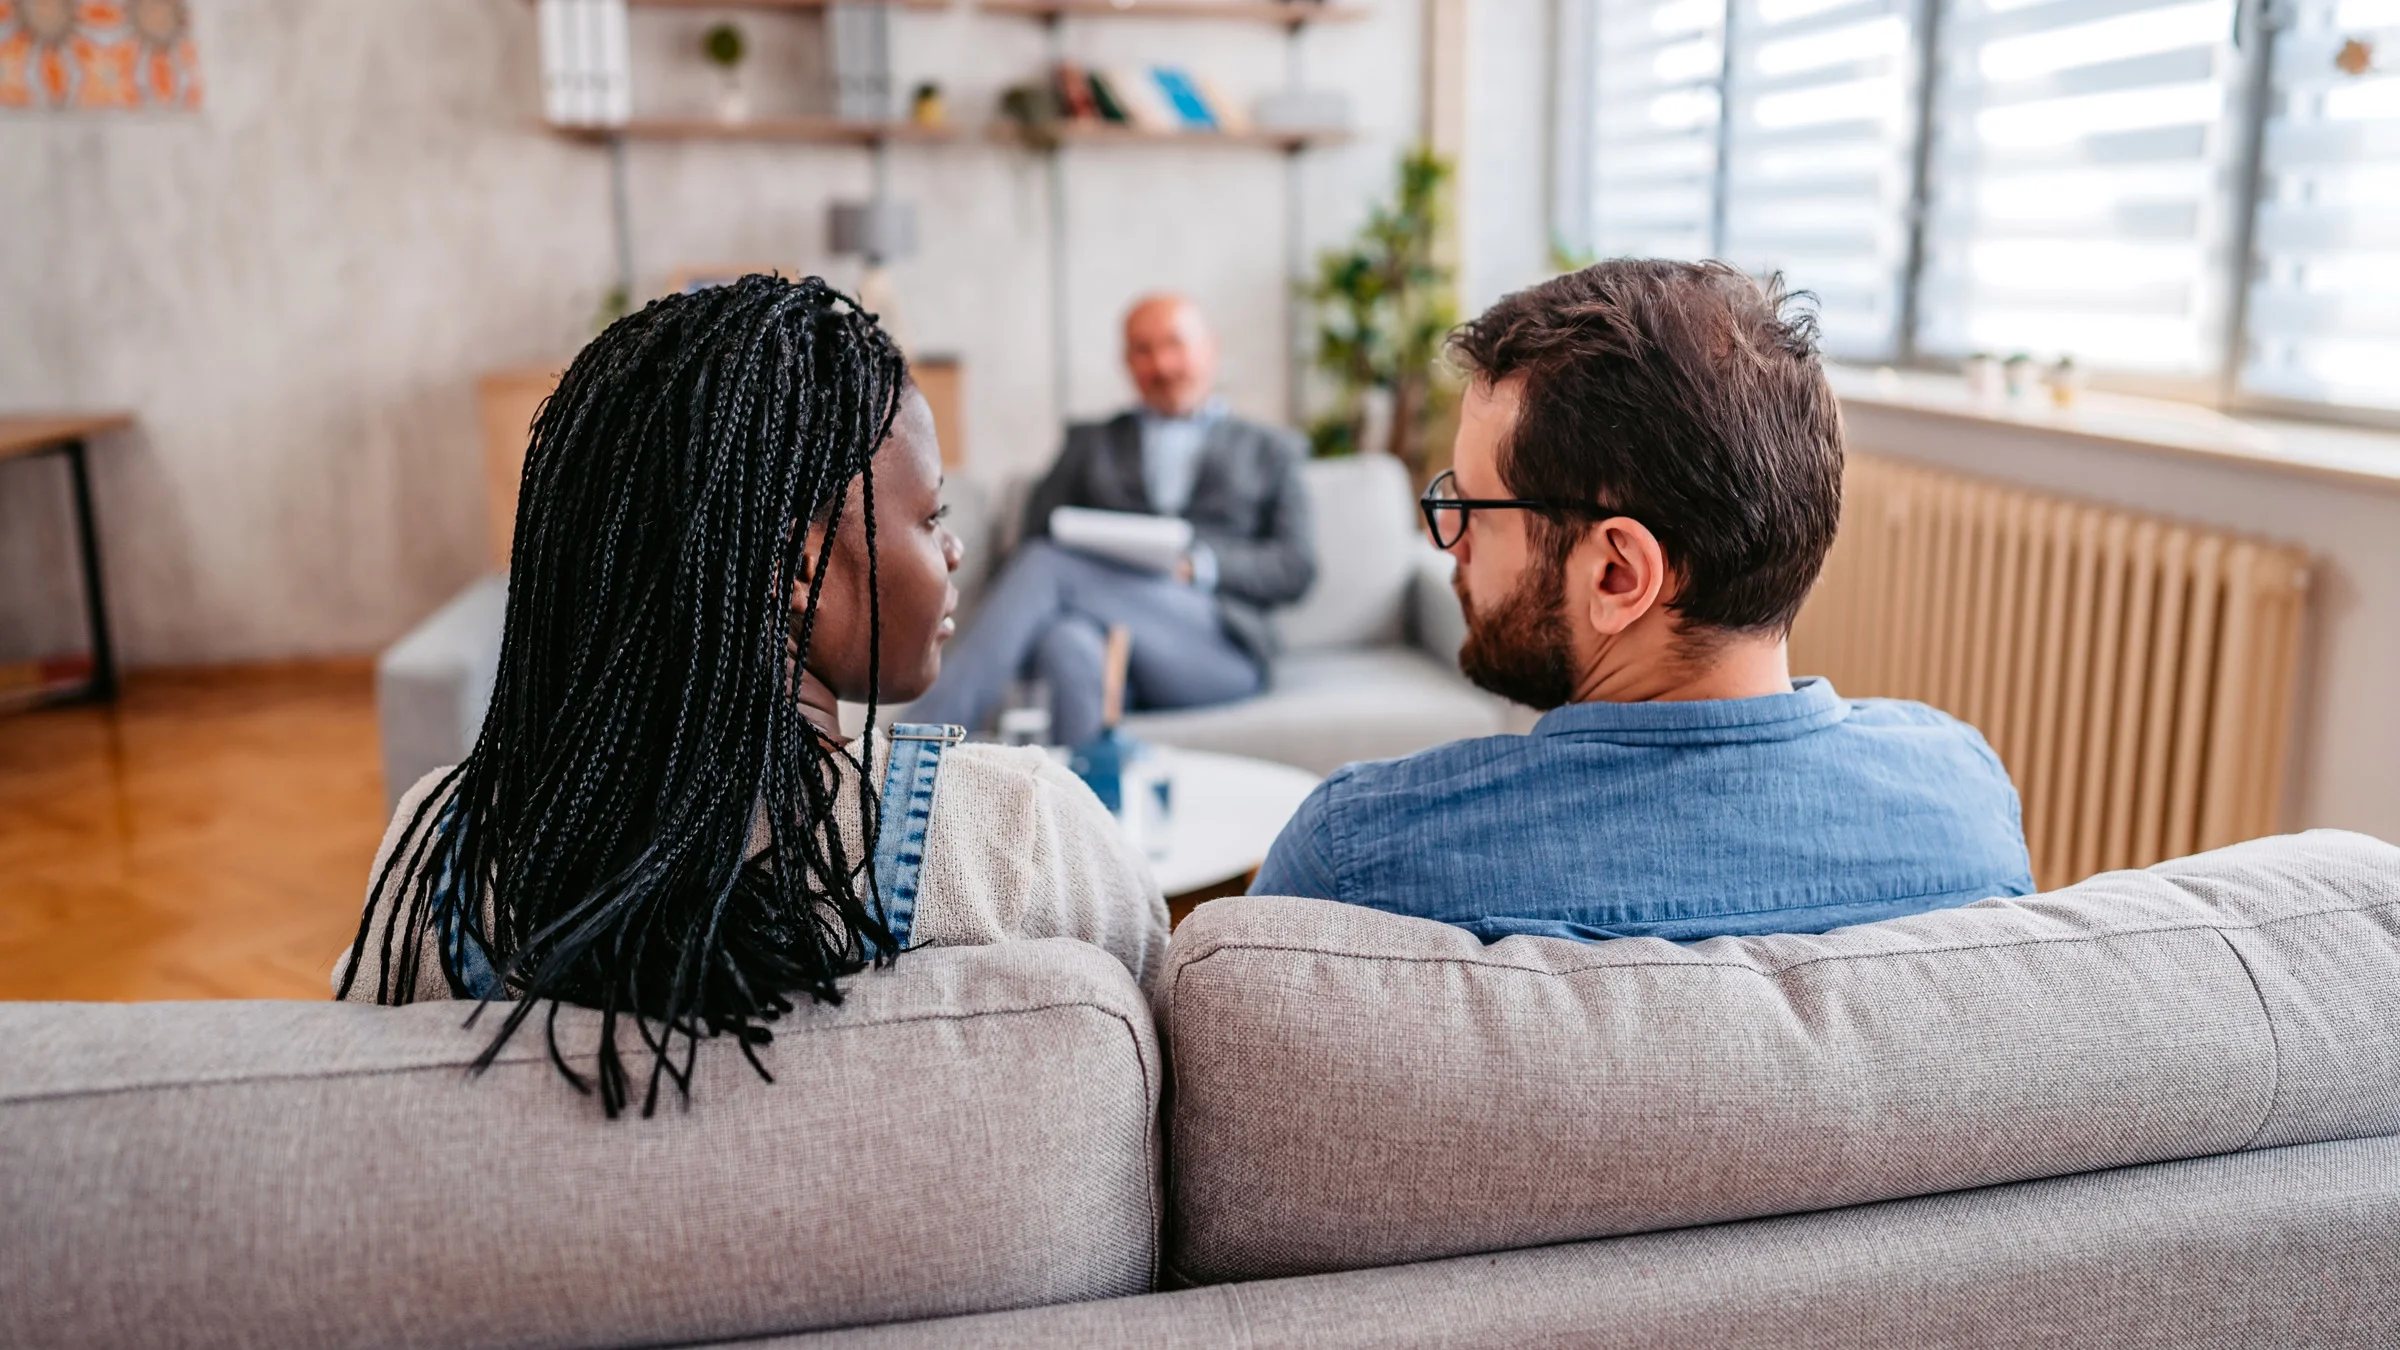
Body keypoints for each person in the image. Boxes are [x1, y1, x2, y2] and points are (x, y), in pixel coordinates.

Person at [336, 276, 1166, 1116]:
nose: (951, 550)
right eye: (930, 515)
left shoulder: (441, 855)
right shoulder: (1021, 840)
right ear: (801, 567)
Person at [1249, 260, 2034, 942]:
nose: (1446, 543)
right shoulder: (1965, 802)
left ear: (1618, 574)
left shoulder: (1355, 860)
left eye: (1473, 509)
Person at [907, 294, 1315, 747]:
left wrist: (1199, 566)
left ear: (1210, 349)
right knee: (1067, 643)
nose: (1161, 364)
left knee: (1048, 568)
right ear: (1127, 362)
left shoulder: (1271, 450)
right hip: (1110, 646)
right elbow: (1032, 537)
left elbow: (1296, 566)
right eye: (1143, 350)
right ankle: (1086, 806)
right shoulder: (1090, 443)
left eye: (1175, 345)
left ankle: (916, 743)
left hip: (1217, 647)